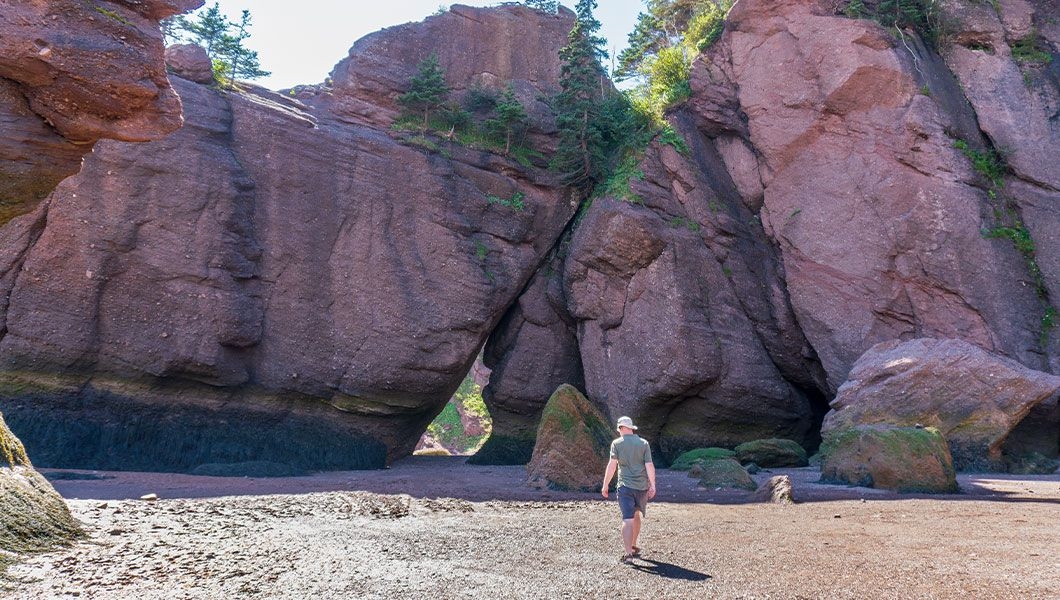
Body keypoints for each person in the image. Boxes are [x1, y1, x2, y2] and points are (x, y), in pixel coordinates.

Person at [601, 415, 656, 563]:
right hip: (642, 487)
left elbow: (612, 465)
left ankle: (628, 554)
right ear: (631, 428)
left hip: (625, 486)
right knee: (636, 515)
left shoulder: (617, 444)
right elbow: (649, 465)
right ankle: (633, 545)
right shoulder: (643, 443)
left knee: (627, 519)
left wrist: (605, 485)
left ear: (621, 428)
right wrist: (653, 485)